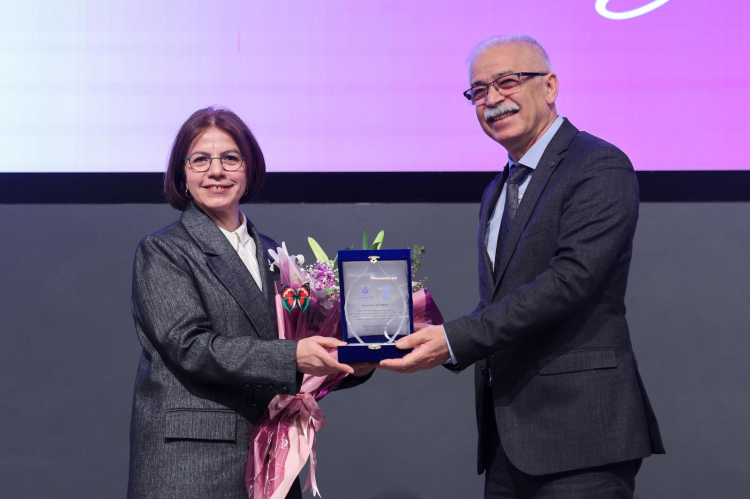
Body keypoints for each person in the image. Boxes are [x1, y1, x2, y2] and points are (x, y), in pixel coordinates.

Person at [380, 35, 665, 498]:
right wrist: (432, 334)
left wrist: (454, 339)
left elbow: (570, 281)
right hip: (507, 443)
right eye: (478, 91)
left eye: (507, 82)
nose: (492, 99)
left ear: (549, 87)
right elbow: (504, 300)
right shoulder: (497, 190)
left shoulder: (599, 164)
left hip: (582, 439)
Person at [128, 107, 373, 499]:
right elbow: (191, 347)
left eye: (230, 158)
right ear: (182, 174)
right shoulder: (163, 250)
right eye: (200, 160)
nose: (216, 171)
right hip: (193, 463)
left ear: (250, 168)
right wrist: (295, 356)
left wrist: (351, 363)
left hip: (272, 456)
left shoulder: (277, 256)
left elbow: (298, 357)